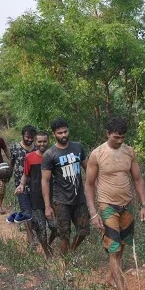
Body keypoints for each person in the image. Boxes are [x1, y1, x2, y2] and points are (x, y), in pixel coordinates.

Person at [84, 117, 145, 290]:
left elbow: (138, 179)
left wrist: (144, 205)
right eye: (116, 137)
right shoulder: (97, 154)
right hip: (107, 207)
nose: (120, 141)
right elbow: (89, 185)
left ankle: (111, 277)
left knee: (122, 247)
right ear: (107, 134)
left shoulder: (129, 152)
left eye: (122, 137)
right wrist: (94, 213)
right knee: (114, 249)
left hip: (127, 206)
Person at [42, 118, 89, 277]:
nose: (63, 135)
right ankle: (66, 266)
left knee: (83, 231)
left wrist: (93, 191)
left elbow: (88, 169)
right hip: (61, 200)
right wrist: (47, 206)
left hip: (79, 198)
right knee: (64, 234)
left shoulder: (78, 147)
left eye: (65, 131)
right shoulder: (50, 154)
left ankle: (70, 252)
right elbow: (45, 180)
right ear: (54, 134)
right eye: (60, 133)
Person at [18, 131, 57, 254]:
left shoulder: (54, 156)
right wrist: (21, 185)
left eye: (44, 141)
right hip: (36, 197)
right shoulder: (29, 157)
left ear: (48, 141)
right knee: (41, 228)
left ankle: (49, 244)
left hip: (53, 197)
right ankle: (47, 252)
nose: (42, 144)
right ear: (35, 142)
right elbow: (25, 174)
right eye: (39, 141)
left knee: (56, 227)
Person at [8, 125, 36, 228]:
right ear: (22, 135)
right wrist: (7, 176)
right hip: (20, 185)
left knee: (35, 210)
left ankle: (34, 230)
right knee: (26, 211)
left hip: (36, 185)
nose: (29, 139)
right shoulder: (15, 147)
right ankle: (30, 236)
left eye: (32, 137)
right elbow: (11, 163)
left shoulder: (37, 148)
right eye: (27, 137)